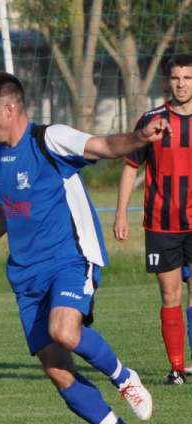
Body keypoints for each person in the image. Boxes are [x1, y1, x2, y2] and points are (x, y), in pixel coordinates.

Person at [0, 71, 170, 424]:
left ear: (9, 108)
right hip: (25, 276)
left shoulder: (49, 139)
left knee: (64, 331)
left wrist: (139, 138)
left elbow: (102, 145)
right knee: (57, 369)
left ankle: (124, 378)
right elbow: (6, 208)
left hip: (70, 258)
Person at [113, 54, 192, 385]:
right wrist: (121, 213)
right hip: (161, 224)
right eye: (175, 78)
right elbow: (131, 167)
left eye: (187, 78)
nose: (181, 84)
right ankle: (177, 368)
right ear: (167, 81)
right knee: (171, 296)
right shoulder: (151, 120)